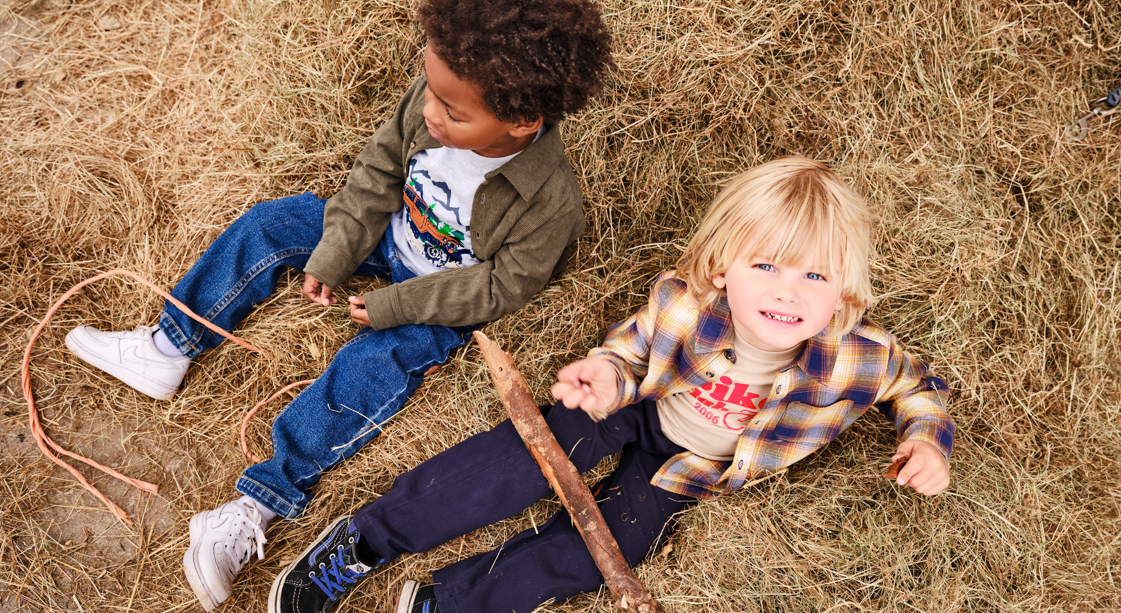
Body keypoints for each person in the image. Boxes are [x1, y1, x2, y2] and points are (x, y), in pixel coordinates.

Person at [61, 0, 614, 609]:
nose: (429, 112)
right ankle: (170, 345)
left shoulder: (549, 202)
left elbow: (500, 288)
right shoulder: (434, 98)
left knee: (370, 368)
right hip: (388, 235)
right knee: (269, 225)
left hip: (440, 302)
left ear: (522, 121)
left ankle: (255, 506)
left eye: (452, 112)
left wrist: (395, 305)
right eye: (429, 91)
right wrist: (336, 251)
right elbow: (378, 172)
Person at [267, 156, 956, 613]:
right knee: (519, 462)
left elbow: (920, 385)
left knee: (613, 546)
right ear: (723, 269)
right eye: (767, 267)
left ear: (842, 291)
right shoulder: (685, 304)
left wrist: (927, 440)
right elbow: (632, 350)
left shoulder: (860, 357)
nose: (789, 292)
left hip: (692, 465)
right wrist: (604, 375)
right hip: (637, 406)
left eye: (814, 275)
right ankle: (368, 540)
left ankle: (449, 603)